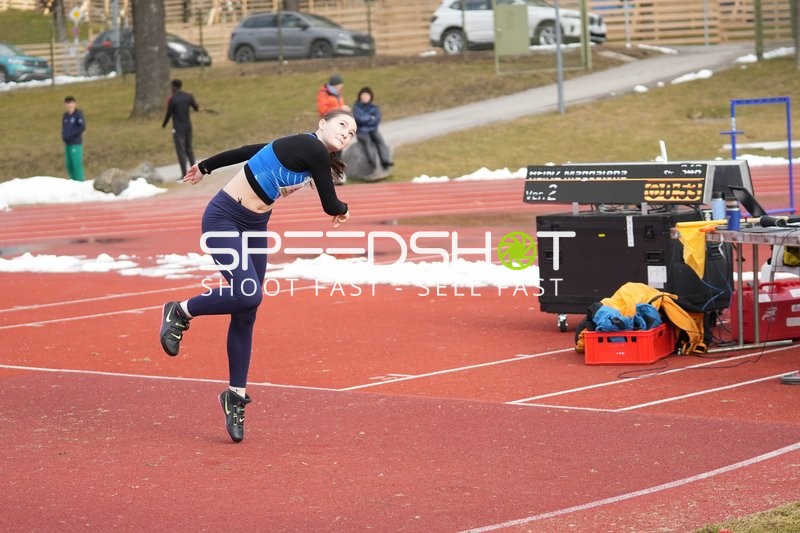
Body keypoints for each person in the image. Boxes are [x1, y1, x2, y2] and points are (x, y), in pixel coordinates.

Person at [158, 109, 356, 443]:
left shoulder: (301, 148)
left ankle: (234, 396)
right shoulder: (312, 150)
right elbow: (330, 204)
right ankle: (180, 311)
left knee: (246, 311)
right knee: (249, 294)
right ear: (321, 123)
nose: (346, 134)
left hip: (254, 227)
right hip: (224, 218)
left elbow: (250, 151)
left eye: (351, 134)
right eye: (342, 126)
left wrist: (207, 165)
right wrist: (343, 209)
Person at [162, 79, 200, 177]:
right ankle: (195, 171)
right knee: (189, 148)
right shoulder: (188, 96)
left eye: (171, 87)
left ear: (174, 87)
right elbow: (196, 108)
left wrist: (164, 124)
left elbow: (169, 113)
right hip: (188, 127)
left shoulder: (173, 99)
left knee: (181, 151)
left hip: (178, 128)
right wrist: (192, 97)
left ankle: (184, 174)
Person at [352, 86, 393, 171]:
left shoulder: (374, 107)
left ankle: (385, 160)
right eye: (363, 95)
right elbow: (359, 119)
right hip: (361, 131)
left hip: (372, 130)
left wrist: (366, 119)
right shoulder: (357, 107)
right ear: (360, 96)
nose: (365, 97)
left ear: (370, 97)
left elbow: (377, 119)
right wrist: (370, 118)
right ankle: (372, 161)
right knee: (367, 141)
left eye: (367, 95)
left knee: (380, 140)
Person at [61, 96, 86, 182]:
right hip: (67, 143)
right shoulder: (65, 116)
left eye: (71, 103)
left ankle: (80, 182)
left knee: (76, 164)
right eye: (67, 103)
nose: (69, 105)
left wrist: (72, 135)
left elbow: (82, 127)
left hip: (75, 143)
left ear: (74, 103)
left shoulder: (78, 114)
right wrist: (64, 136)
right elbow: (64, 128)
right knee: (69, 164)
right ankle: (73, 182)